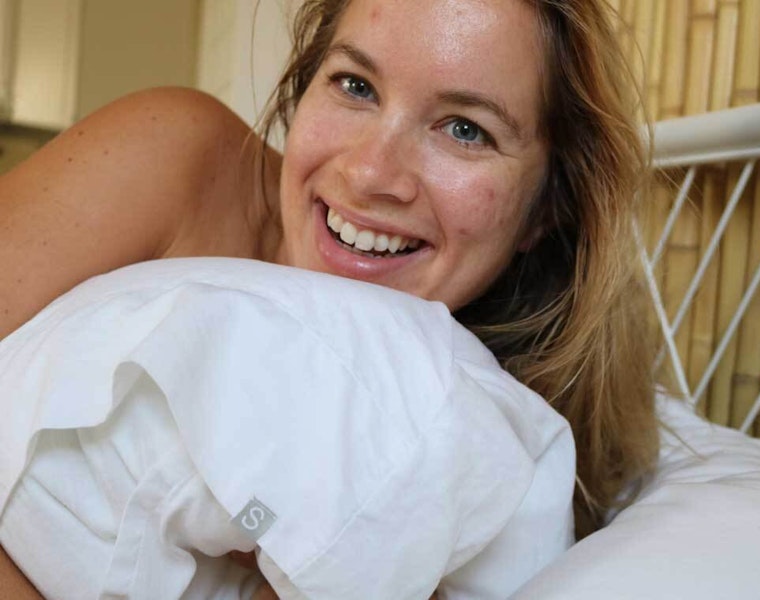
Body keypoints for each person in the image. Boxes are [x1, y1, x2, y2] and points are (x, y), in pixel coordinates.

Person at [0, 0, 658, 596]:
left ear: (546, 209)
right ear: (301, 90)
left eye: (464, 129)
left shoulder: (468, 445)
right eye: (355, 86)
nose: (371, 173)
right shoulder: (176, 160)